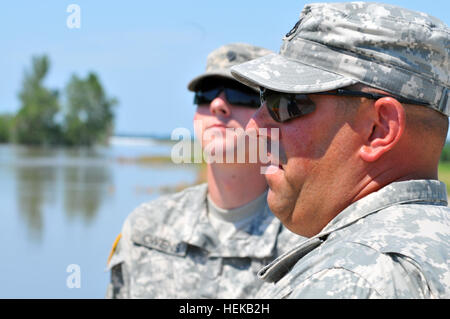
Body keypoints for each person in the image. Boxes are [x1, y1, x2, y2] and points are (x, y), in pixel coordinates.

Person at [231, 2, 450, 298]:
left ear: (379, 130)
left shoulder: (347, 279)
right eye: (264, 97)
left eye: (286, 102)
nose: (254, 127)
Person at [106, 43, 301, 298]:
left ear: (275, 113)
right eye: (206, 93)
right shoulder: (146, 229)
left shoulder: (303, 248)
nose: (218, 104)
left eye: (240, 92)